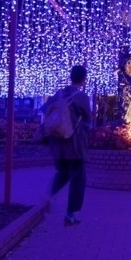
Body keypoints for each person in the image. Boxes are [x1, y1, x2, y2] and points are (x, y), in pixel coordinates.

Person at [41, 65, 92, 226]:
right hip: (74, 144)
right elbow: (88, 121)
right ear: (83, 79)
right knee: (78, 178)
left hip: (57, 143)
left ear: (70, 77)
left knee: (63, 172)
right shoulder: (82, 97)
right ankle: (71, 214)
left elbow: (45, 109)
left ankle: (49, 194)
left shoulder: (59, 93)